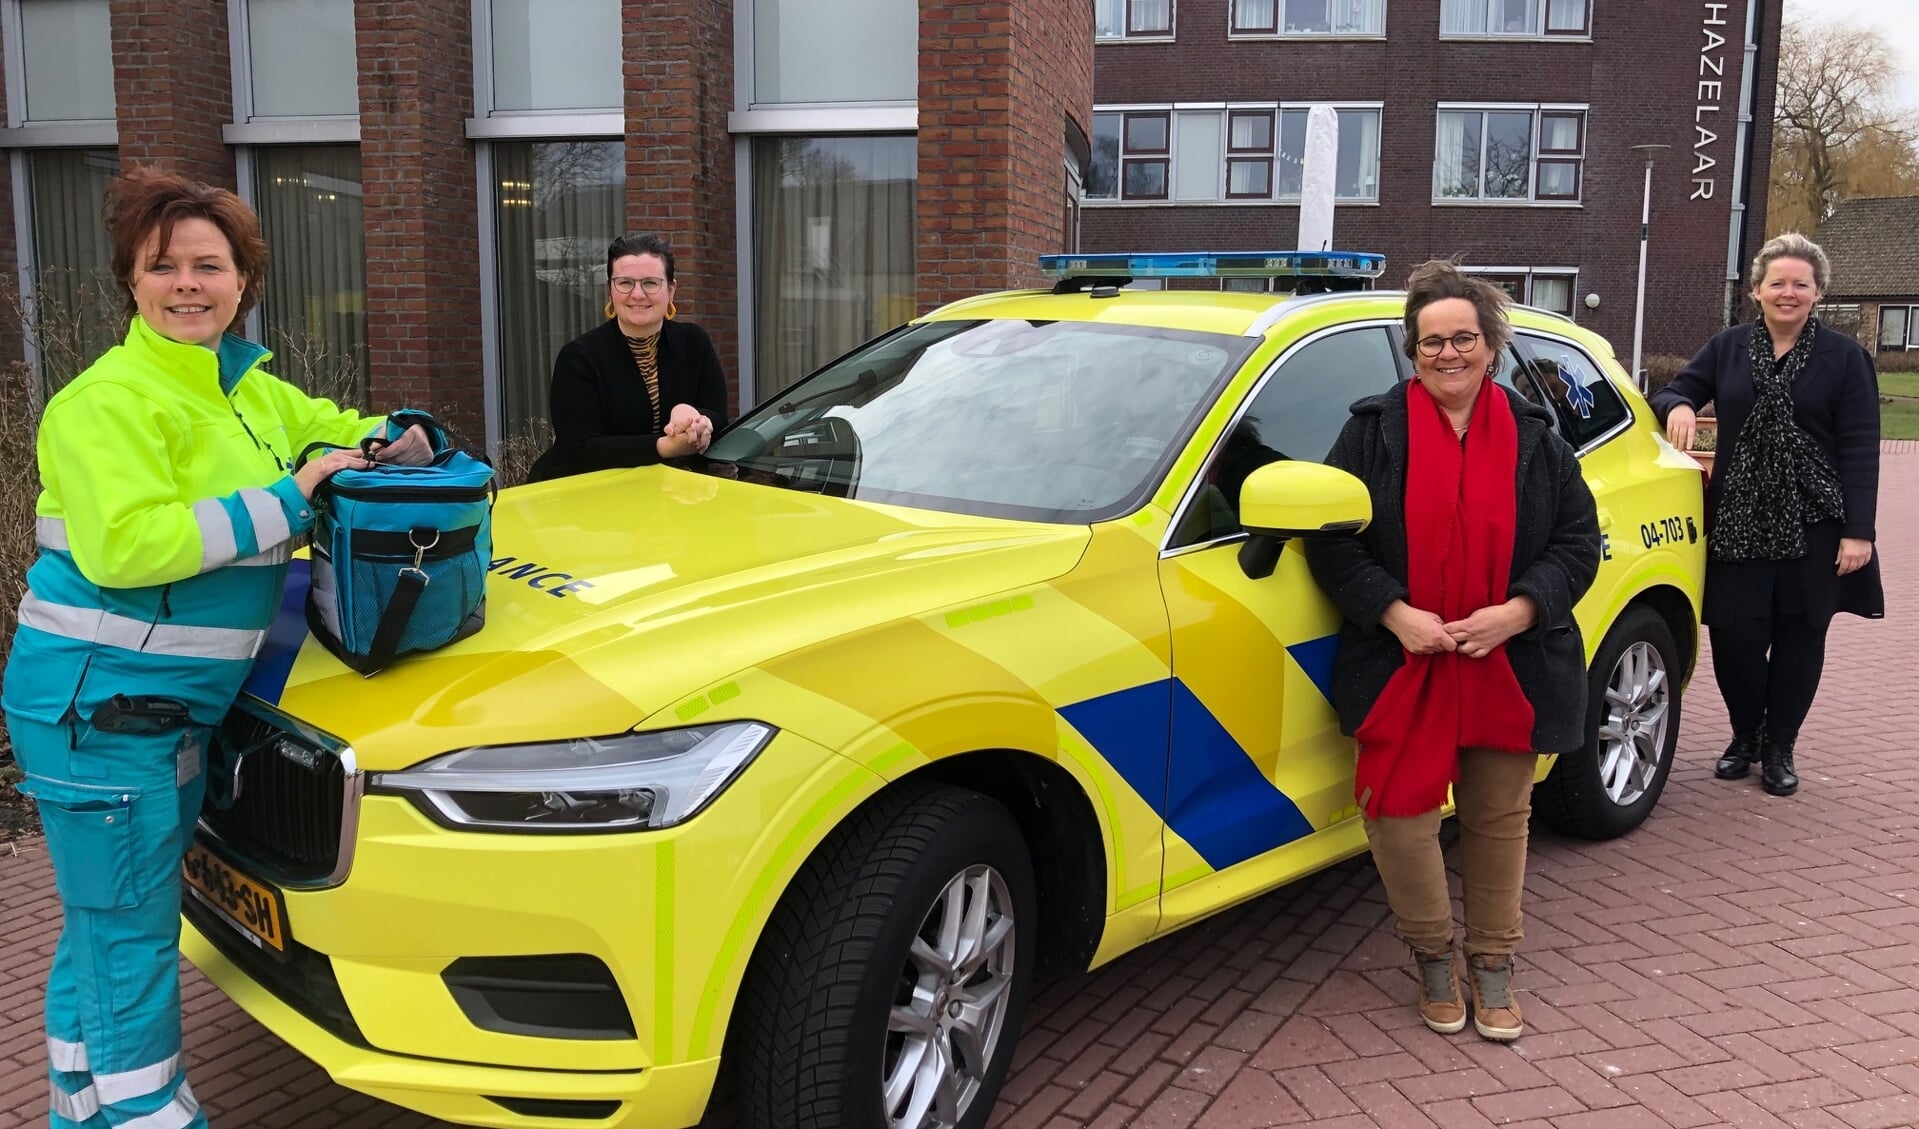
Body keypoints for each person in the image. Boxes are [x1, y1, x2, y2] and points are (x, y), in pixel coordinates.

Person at [1, 168, 430, 1129]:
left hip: (156, 709)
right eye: (164, 268)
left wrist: (391, 439)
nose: (187, 284)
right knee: (131, 936)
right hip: (98, 710)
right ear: (132, 282)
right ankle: (148, 1111)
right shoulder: (105, 402)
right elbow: (128, 545)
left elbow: (333, 431)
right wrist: (291, 496)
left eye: (209, 265)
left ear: (244, 281)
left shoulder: (251, 393)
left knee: (106, 922)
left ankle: (80, 1103)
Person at [1305, 261, 1600, 1042]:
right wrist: (1392, 612)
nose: (1446, 354)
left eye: (1462, 338)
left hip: (1507, 658)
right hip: (1403, 659)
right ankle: (1433, 956)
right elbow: (1332, 546)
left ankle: (1494, 962)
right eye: (1430, 341)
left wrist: (1517, 611)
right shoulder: (1369, 432)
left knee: (1498, 817)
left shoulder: (1538, 440)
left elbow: (1577, 545)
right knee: (1397, 819)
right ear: (1412, 349)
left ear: (1491, 345)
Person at [1650, 233, 1882, 797]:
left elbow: (1860, 445)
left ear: (1818, 292)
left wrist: (1859, 532)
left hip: (1816, 524)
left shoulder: (1846, 359)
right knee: (1734, 638)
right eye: (1777, 282)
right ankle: (1744, 735)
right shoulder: (1727, 347)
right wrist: (1679, 404)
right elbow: (1675, 389)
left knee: (1801, 637)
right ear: (1756, 291)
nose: (1788, 292)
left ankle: (1780, 745)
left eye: (1800, 283)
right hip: (1740, 521)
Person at [527, 233, 729, 482]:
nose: (637, 294)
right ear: (610, 290)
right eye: (625, 283)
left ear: (671, 289)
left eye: (650, 283)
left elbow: (719, 416)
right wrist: (665, 447)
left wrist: (698, 422)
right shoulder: (578, 357)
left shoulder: (693, 341)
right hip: (585, 495)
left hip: (668, 492)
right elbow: (579, 450)